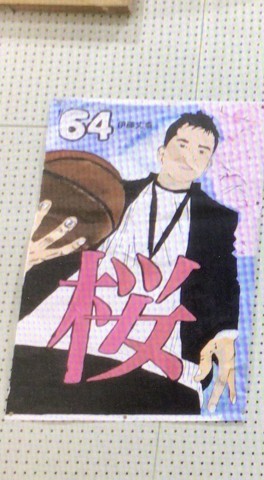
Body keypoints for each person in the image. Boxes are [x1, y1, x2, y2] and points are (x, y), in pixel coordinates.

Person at [8, 112, 239, 415]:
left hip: (158, 365)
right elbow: (59, 240)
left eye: (201, 151)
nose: (189, 156)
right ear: (161, 152)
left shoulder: (218, 218)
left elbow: (224, 279)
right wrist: (27, 260)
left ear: (207, 164)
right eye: (182, 144)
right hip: (61, 344)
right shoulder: (111, 194)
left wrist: (224, 333)